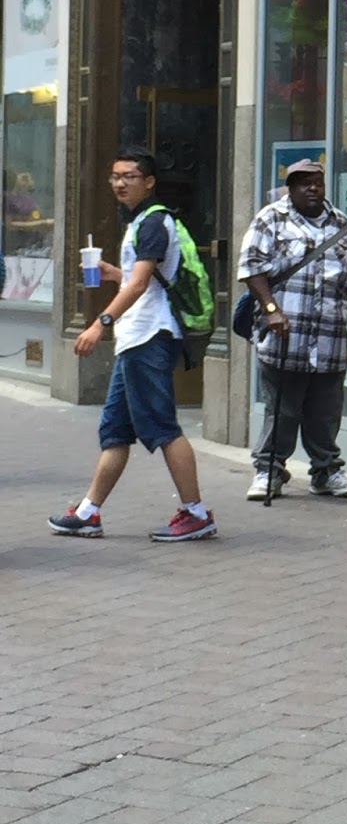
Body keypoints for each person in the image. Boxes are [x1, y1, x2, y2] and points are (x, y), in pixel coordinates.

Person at [48, 147, 216, 542]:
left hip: (148, 337)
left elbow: (141, 284)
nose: (119, 183)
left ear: (149, 181)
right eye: (114, 177)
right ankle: (89, 512)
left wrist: (100, 322)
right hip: (135, 338)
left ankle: (196, 512)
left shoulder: (155, 222)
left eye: (129, 176)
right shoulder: (143, 222)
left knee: (163, 427)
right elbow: (144, 277)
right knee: (116, 431)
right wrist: (114, 274)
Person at [238, 159, 347, 500]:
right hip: (285, 335)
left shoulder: (341, 223)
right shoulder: (271, 218)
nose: (312, 188)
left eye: (317, 183)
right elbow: (251, 267)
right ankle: (269, 471)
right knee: (282, 409)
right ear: (291, 187)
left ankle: (326, 472)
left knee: (325, 411)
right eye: (303, 183)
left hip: (328, 337)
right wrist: (271, 309)